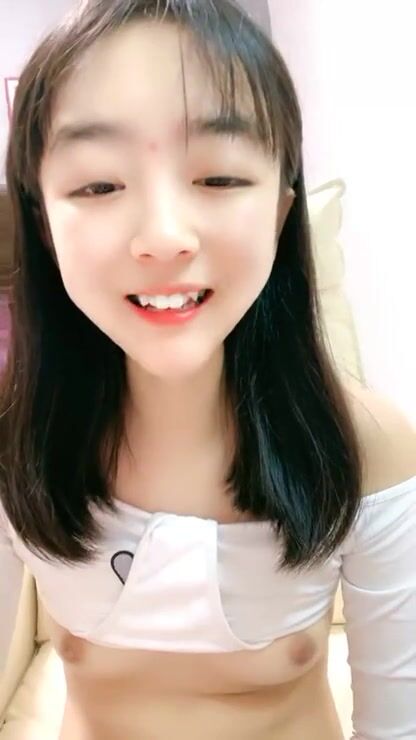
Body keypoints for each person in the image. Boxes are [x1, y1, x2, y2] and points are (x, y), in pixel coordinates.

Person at [0, 0, 415, 738]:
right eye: (98, 185)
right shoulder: (12, 433)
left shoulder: (368, 445)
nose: (164, 237)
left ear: (281, 208)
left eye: (219, 178)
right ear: (43, 220)